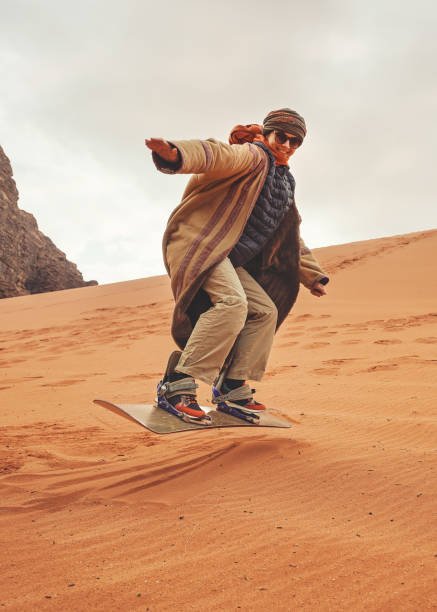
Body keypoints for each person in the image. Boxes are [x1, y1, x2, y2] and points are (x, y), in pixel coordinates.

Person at [145, 108, 329, 421]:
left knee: (264, 310)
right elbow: (215, 155)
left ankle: (230, 387)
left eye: (295, 141)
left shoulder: (285, 183)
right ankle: (175, 384)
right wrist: (176, 154)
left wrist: (312, 275)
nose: (286, 144)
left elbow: (289, 236)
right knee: (232, 302)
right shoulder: (252, 156)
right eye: (281, 136)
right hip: (202, 244)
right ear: (268, 134)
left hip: (229, 257)